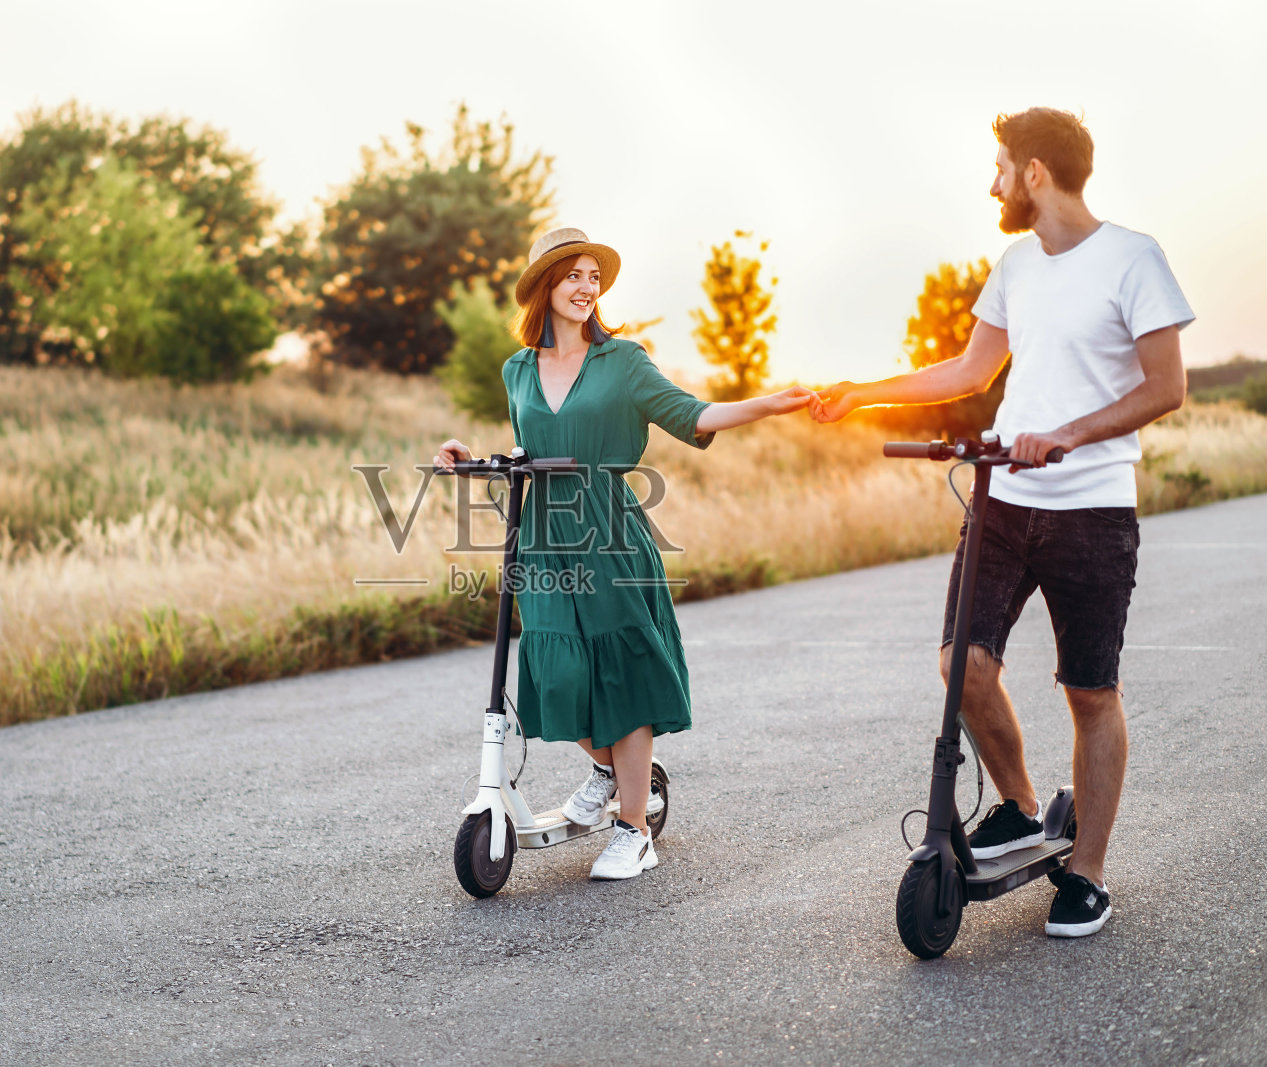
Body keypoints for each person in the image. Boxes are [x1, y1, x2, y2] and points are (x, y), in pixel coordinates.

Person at [812, 108, 1194, 937]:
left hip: (1092, 508)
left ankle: (1086, 873)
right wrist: (861, 393)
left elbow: (1167, 385)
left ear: (1034, 172)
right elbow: (969, 368)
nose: (992, 184)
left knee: (1090, 690)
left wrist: (1068, 434)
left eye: (999, 168)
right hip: (1005, 501)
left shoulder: (1134, 258)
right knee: (963, 664)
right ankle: (1019, 806)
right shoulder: (1016, 265)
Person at [435, 228, 815, 880]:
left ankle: (634, 829)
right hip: (544, 537)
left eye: (593, 277)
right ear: (546, 286)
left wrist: (772, 404)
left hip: (609, 530)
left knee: (622, 674)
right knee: (556, 673)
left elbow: (693, 414)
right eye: (573, 276)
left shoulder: (624, 361)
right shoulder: (517, 369)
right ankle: (612, 770)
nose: (586, 287)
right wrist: (470, 458)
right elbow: (531, 445)